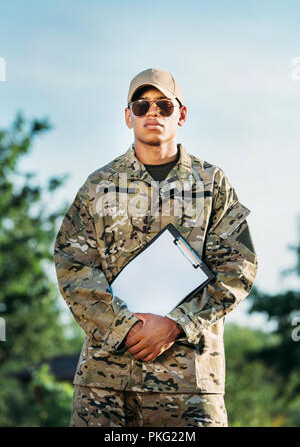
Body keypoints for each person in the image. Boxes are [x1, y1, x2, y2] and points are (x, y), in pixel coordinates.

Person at [53, 67, 258, 427]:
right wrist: (124, 327)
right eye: (141, 105)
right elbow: (72, 263)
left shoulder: (212, 184)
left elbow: (238, 267)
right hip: (106, 383)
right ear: (127, 116)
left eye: (163, 105)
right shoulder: (98, 185)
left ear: (181, 114)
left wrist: (177, 324)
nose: (152, 113)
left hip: (190, 384)